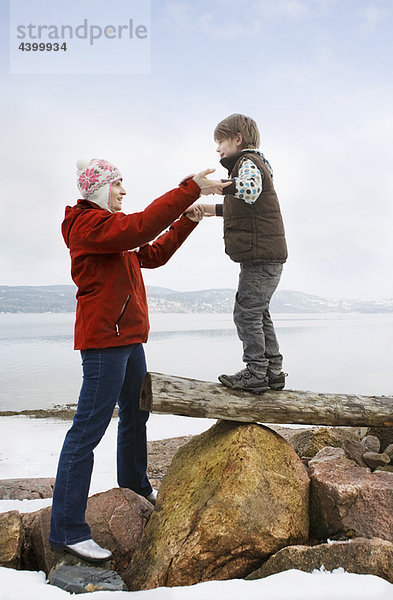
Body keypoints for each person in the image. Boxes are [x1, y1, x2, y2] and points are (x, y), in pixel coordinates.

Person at [49, 158, 228, 563]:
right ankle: (67, 531)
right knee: (86, 433)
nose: (124, 191)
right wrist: (191, 188)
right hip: (104, 344)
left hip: (128, 339)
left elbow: (152, 253)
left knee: (136, 414)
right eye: (117, 184)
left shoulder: (112, 232)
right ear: (97, 189)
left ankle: (134, 484)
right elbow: (142, 226)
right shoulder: (89, 226)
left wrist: (188, 220)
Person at [199, 114, 288, 393]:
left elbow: (248, 192)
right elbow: (244, 207)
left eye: (221, 142)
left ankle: (256, 372)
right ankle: (273, 371)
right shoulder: (251, 164)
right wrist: (208, 209)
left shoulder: (247, 162)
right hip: (265, 255)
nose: (217, 149)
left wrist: (217, 186)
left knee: (245, 314)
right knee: (259, 313)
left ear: (238, 139)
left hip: (261, 257)